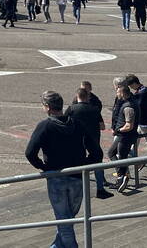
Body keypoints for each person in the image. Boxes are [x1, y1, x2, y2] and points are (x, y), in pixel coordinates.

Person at [25, 90, 102, 248]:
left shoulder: (45, 126)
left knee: (64, 221)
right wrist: (85, 164)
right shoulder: (76, 123)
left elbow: (30, 153)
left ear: (47, 107)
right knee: (67, 219)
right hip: (78, 177)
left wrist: (44, 168)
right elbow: (96, 151)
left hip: (56, 177)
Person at [65, 87, 112, 199]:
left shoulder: (71, 109)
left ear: (77, 97)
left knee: (76, 165)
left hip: (77, 142)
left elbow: (65, 124)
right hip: (93, 141)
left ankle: (76, 190)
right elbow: (102, 126)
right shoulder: (94, 109)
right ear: (87, 97)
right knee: (98, 164)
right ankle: (100, 189)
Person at [109, 82, 138, 192]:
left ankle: (122, 177)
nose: (116, 94)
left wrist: (117, 130)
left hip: (125, 137)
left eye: (117, 92)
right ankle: (122, 176)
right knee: (116, 155)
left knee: (118, 156)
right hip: (125, 136)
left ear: (122, 93)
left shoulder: (128, 107)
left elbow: (129, 126)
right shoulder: (130, 102)